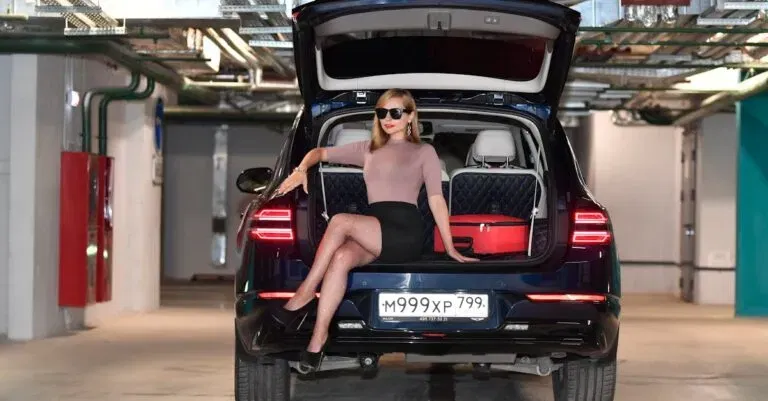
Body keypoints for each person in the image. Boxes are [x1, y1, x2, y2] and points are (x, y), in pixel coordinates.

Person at [268, 88, 478, 373]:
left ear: (410, 117)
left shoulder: (424, 151)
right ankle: (317, 341)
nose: (388, 119)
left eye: (396, 113)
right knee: (341, 258)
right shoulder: (367, 149)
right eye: (382, 113)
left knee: (340, 221)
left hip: (404, 231)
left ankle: (305, 292)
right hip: (376, 228)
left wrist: (450, 246)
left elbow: (436, 199)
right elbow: (319, 152)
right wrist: (302, 168)